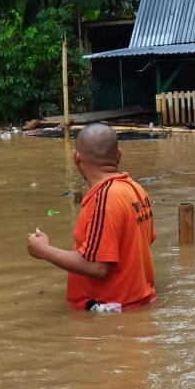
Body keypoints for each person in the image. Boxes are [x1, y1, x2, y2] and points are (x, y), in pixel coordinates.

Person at [26, 122, 156, 311]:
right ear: (118, 155)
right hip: (136, 307)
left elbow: (97, 267)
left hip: (110, 314)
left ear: (76, 157)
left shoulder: (103, 199)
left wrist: (44, 250)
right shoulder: (135, 189)